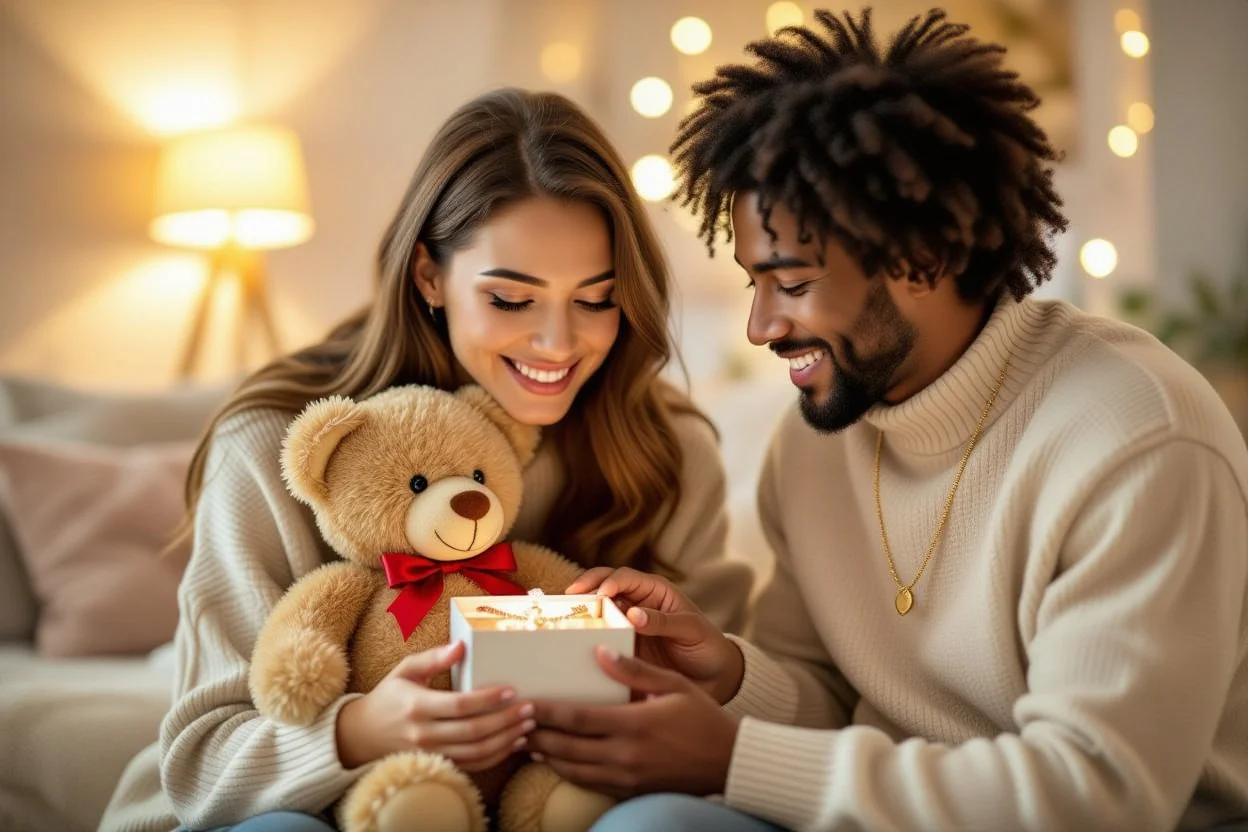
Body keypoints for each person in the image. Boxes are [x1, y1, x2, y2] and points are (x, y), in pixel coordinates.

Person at [524, 9, 1248, 831]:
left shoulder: (1138, 436)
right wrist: (724, 671)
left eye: (790, 283)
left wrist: (729, 758)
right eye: (753, 283)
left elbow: (1095, 795)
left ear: (922, 259)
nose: (761, 327)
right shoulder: (816, 440)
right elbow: (829, 697)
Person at [99, 88, 754, 832]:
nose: (558, 343)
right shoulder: (280, 444)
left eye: (596, 299)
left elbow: (733, 712)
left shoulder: (665, 449)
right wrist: (360, 732)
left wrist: (711, 676)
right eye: (512, 299)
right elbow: (200, 759)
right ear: (428, 277)